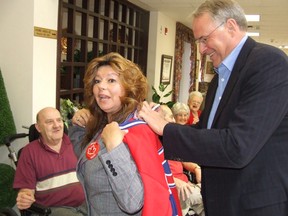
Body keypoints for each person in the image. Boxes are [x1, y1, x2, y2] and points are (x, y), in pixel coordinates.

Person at [138, 0, 288, 216]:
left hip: (254, 205)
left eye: (204, 39)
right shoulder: (221, 77)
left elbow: (238, 146)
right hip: (222, 201)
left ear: (231, 26)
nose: (201, 49)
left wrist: (167, 129)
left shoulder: (268, 64)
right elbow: (207, 132)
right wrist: (166, 123)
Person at [68, 52, 182, 216]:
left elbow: (133, 201)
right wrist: (78, 126)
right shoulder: (105, 125)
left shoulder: (137, 130)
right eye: (97, 81)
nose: (101, 86)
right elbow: (87, 161)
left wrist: (115, 148)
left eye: (111, 80)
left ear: (129, 87)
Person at [13, 107, 87, 216]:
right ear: (38, 128)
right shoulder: (29, 152)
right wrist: (25, 197)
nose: (56, 125)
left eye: (59, 120)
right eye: (49, 122)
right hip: (52, 210)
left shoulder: (75, 143)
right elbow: (26, 191)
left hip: (84, 205)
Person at [168, 103, 204, 216]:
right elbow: (154, 171)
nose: (172, 120)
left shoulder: (172, 138)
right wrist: (172, 180)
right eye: (172, 117)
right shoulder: (156, 141)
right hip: (176, 187)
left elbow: (183, 160)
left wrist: (196, 168)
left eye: (185, 115)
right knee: (208, 195)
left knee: (208, 206)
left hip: (185, 183)